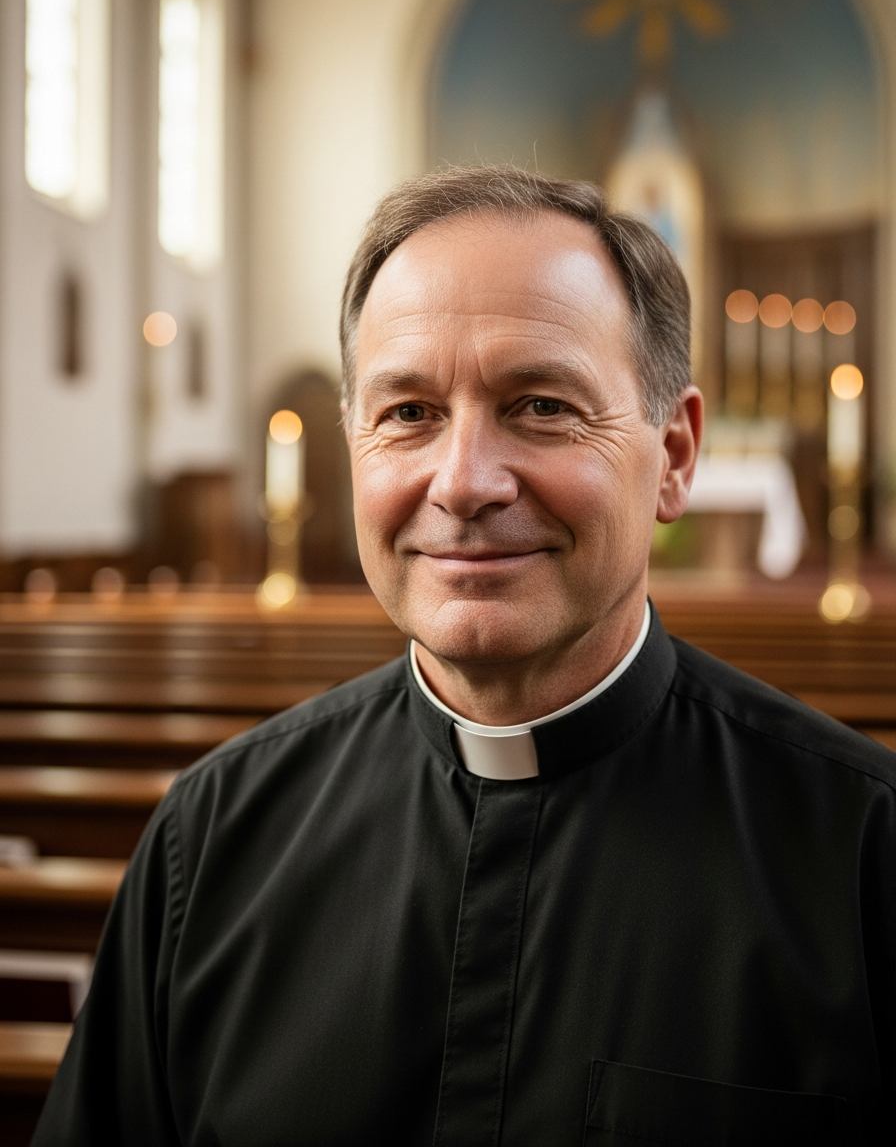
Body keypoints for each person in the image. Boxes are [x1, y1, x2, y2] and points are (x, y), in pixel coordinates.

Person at [34, 166, 896, 1145]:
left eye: (539, 405)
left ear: (673, 454)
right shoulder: (212, 840)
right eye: (407, 413)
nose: (464, 482)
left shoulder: (863, 860)